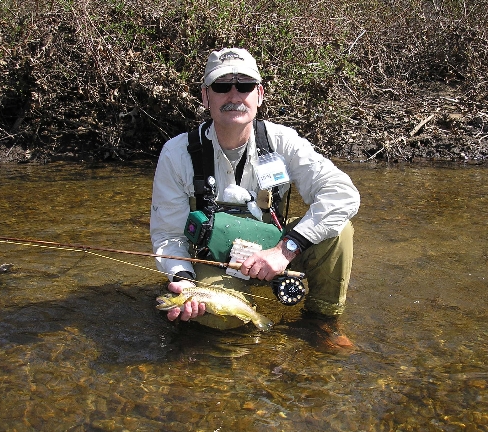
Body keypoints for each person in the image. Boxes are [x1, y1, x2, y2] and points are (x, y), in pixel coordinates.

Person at [150, 48, 360, 346]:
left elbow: (343, 195)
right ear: (205, 97)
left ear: (259, 94)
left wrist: (286, 249)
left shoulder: (282, 141)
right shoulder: (176, 153)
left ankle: (322, 323)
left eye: (245, 86)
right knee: (213, 318)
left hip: (276, 254)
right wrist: (182, 280)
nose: (234, 96)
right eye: (222, 87)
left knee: (340, 231)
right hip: (216, 264)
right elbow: (168, 236)